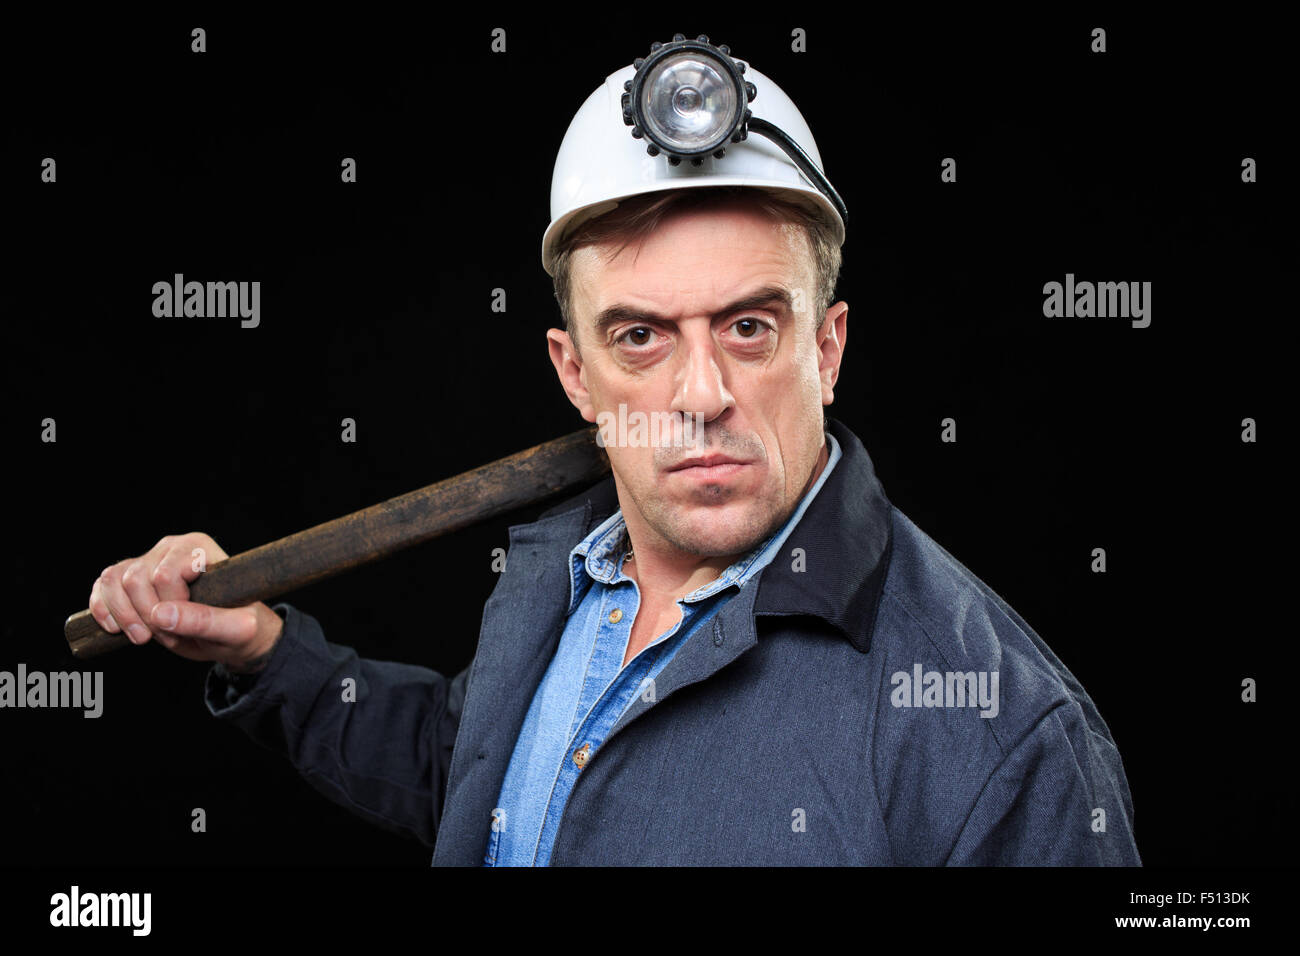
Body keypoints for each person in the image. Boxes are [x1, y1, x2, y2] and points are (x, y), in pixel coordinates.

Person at [84, 36, 1140, 865]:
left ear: (827, 346)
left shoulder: (1002, 735)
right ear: (574, 371)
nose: (699, 395)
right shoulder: (562, 573)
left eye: (749, 326)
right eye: (640, 335)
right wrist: (262, 651)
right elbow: (483, 778)